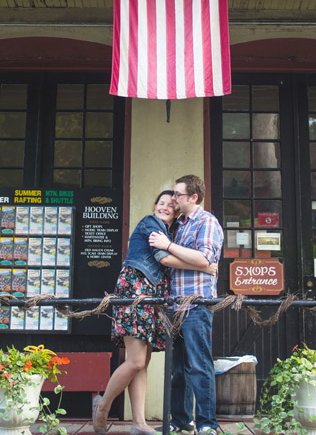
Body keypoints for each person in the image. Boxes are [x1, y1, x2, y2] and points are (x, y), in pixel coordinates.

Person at [93, 190, 217, 435]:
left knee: (143, 362)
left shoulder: (171, 233)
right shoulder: (151, 223)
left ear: (177, 210)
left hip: (154, 295)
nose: (164, 207)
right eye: (161, 203)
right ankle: (103, 405)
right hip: (135, 288)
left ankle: (139, 424)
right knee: (136, 361)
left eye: (170, 205)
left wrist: (201, 263)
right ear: (155, 206)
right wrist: (205, 265)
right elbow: (163, 258)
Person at [149, 174, 224, 435]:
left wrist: (169, 246)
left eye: (178, 195)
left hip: (196, 305)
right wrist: (201, 263)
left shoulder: (207, 222)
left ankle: (207, 424)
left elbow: (204, 258)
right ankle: (181, 420)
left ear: (193, 197)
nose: (174, 199)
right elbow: (196, 262)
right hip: (174, 305)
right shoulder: (178, 225)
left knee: (199, 366)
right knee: (177, 368)